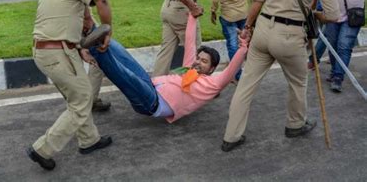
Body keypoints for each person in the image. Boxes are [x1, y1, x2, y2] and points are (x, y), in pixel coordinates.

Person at [221, 0, 340, 152]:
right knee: (297, 82)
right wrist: (313, 13)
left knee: (246, 85)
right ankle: (295, 124)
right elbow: (333, 15)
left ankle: (231, 137)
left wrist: (248, 27)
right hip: (291, 35)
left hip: (263, 28)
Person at [26, 0, 113, 171]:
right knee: (82, 99)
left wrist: (78, 47)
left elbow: (64, 20)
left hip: (47, 50)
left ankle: (89, 140)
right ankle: (42, 149)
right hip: (58, 53)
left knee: (76, 96)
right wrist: (107, 30)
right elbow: (101, 0)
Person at [82, 13, 249, 122]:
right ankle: (93, 32)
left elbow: (231, 69)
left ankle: (97, 50)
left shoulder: (212, 85)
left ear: (212, 69)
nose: (198, 62)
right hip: (150, 85)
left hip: (152, 103)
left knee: (124, 74)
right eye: (198, 58)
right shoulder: (188, 69)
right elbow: (190, 42)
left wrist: (243, 47)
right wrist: (192, 16)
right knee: (122, 53)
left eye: (204, 62)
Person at [309, 0, 366, 93]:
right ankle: (336, 70)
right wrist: (312, 9)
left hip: (353, 17)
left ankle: (338, 77)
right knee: (332, 46)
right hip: (332, 15)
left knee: (344, 46)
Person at [210, 0, 255, 82]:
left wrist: (213, 10)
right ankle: (249, 71)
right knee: (245, 42)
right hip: (244, 14)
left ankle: (237, 74)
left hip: (228, 15)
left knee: (232, 44)